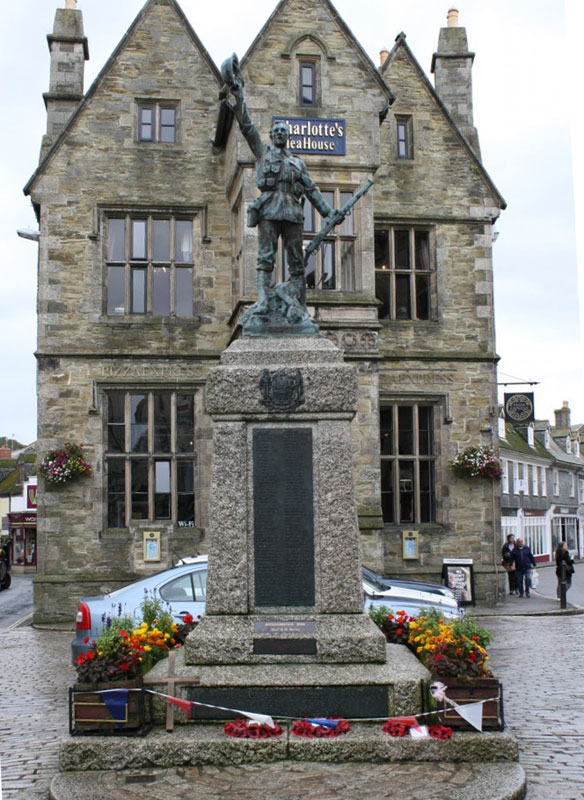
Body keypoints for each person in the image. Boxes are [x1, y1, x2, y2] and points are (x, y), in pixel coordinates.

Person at [221, 55, 343, 319]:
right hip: (268, 211)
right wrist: (239, 96)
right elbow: (247, 126)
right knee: (265, 258)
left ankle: (297, 305)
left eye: (282, 132)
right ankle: (263, 301)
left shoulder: (298, 164)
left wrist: (328, 212)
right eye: (275, 131)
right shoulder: (262, 154)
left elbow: (310, 190)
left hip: (292, 214)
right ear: (271, 136)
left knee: (296, 262)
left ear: (287, 137)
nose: (278, 134)